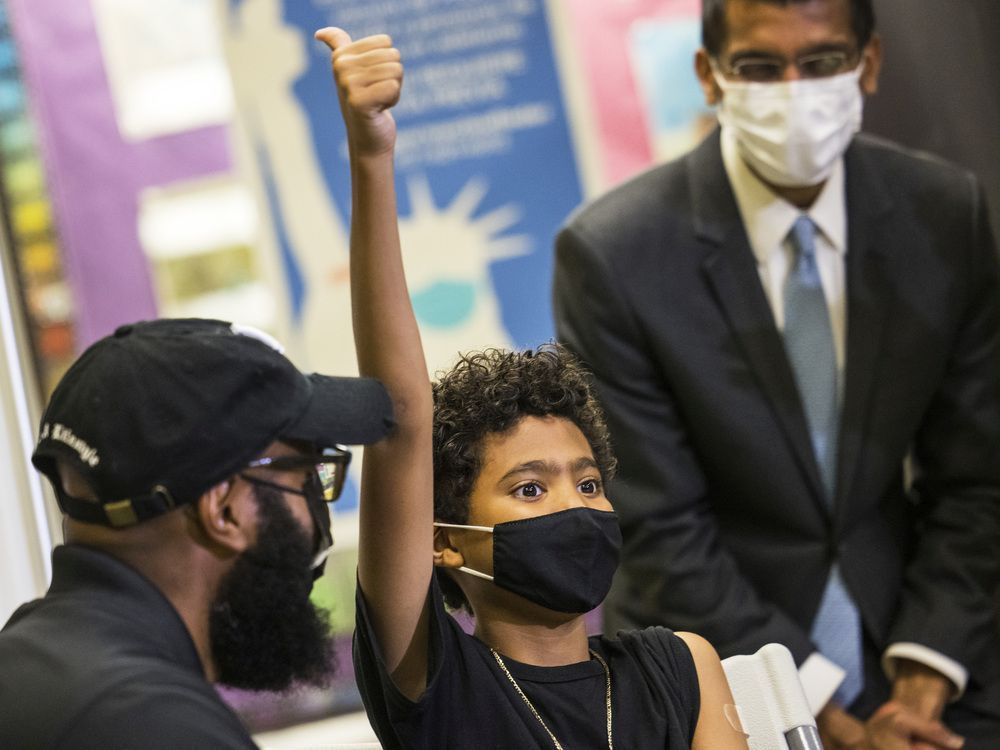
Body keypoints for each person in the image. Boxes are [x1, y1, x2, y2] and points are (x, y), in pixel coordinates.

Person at [552, 0, 1000, 748]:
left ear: (870, 63)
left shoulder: (945, 215)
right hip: (714, 673)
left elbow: (979, 478)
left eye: (822, 62)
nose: (794, 90)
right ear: (710, 74)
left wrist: (922, 684)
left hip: (927, 659)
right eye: (761, 67)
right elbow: (658, 528)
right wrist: (815, 715)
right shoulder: (613, 256)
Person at [314, 27, 749, 749]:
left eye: (586, 483)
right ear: (445, 544)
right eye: (528, 489)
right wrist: (372, 157)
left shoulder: (684, 668)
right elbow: (402, 420)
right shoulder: (436, 680)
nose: (574, 509)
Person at [0, 318, 394, 749]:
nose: (315, 514)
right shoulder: (153, 725)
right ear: (223, 510)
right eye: (307, 478)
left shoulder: (30, 659)